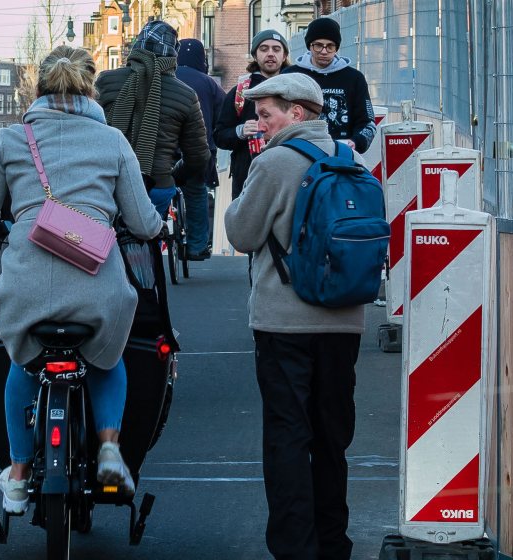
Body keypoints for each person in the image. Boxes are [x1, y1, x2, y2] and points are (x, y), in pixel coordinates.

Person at [0, 45, 164, 515]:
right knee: (109, 354)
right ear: (90, 89)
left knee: (19, 361)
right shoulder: (113, 141)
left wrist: (12, 226)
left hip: (24, 286)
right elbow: (142, 221)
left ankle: (16, 476)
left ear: (38, 89)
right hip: (98, 286)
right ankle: (111, 448)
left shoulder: (12, 140)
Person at [223, 72, 365, 560]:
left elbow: (241, 233)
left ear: (297, 113)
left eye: (266, 114)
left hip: (284, 321)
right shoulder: (353, 159)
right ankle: (333, 545)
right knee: (331, 439)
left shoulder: (276, 161)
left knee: (288, 436)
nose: (259, 124)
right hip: (344, 321)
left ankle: (294, 549)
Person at [94, 21, 210, 222]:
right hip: (157, 185)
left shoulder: (105, 81)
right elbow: (198, 156)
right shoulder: (186, 94)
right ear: (174, 54)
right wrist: (174, 174)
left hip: (107, 183)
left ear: (136, 47)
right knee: (150, 241)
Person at [214, 29, 292, 198]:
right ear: (255, 55)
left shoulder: (295, 90)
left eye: (276, 49)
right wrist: (240, 131)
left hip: (288, 175)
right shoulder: (240, 92)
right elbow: (219, 135)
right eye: (264, 49)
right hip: (247, 177)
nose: (270, 54)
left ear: (284, 55)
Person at [288, 17, 377, 155]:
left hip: (342, 153)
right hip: (297, 152)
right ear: (309, 45)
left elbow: (367, 121)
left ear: (337, 48)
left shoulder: (354, 78)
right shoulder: (290, 75)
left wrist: (357, 141)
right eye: (318, 45)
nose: (324, 51)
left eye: (330, 46)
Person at [174, 38, 224, 260]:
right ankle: (197, 246)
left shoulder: (165, 78)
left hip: (167, 149)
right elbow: (223, 115)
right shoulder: (210, 83)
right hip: (199, 149)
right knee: (196, 192)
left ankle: (153, 239)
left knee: (160, 188)